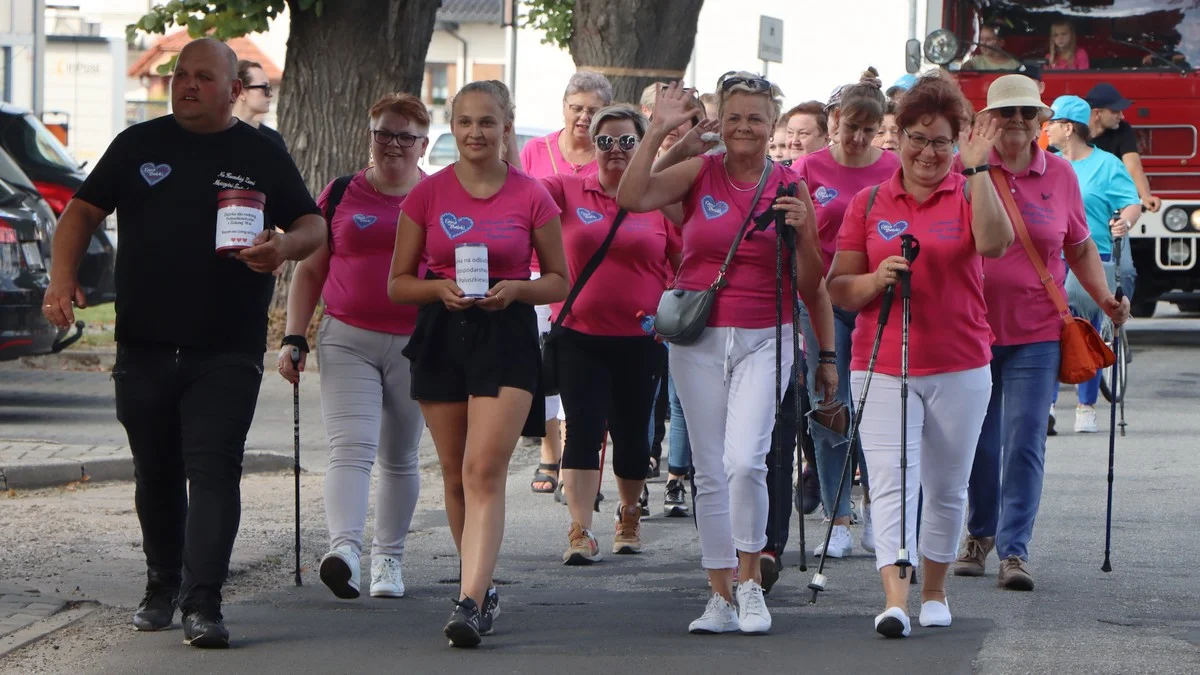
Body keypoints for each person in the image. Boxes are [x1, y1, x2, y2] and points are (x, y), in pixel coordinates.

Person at [41, 38, 324, 648]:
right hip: (143, 344)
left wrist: (284, 247)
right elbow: (81, 212)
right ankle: (161, 584)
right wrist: (61, 277)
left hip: (225, 346)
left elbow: (312, 223)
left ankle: (204, 604)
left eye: (202, 76)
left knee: (214, 469)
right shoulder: (139, 144)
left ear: (232, 90)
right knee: (156, 472)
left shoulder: (260, 152)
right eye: (179, 75)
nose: (186, 84)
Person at [617, 75, 837, 636]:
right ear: (722, 120)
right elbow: (632, 195)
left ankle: (749, 582)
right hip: (699, 335)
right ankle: (717, 594)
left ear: (773, 126)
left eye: (756, 118)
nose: (744, 127)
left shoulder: (791, 184)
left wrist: (804, 230)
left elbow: (813, 283)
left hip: (769, 332)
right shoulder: (700, 170)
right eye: (734, 116)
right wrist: (662, 131)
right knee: (710, 470)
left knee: (747, 460)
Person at [827, 73, 1013, 638]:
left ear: (957, 145)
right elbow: (839, 287)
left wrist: (977, 170)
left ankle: (934, 588)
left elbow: (994, 244)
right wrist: (876, 279)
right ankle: (894, 600)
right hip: (881, 361)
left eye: (941, 142)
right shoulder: (869, 200)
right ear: (896, 136)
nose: (927, 152)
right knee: (890, 478)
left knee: (947, 482)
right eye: (916, 137)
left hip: (960, 361)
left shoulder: (973, 188)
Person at [388, 79, 569, 648]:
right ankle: (480, 586)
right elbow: (398, 284)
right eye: (465, 121)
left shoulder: (533, 193)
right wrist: (437, 291)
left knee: (482, 471)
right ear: (452, 126)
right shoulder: (427, 194)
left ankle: (469, 599)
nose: (475, 132)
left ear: (506, 127)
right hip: (443, 331)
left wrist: (516, 290)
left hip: (506, 334)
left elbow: (560, 280)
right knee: (454, 475)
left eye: (487, 122)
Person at [956, 76, 1131, 591]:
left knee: (1026, 440)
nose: (1015, 123)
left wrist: (1103, 298)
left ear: (1041, 122)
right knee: (979, 444)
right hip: (971, 328)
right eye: (1004, 113)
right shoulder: (964, 169)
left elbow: (1078, 246)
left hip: (1037, 330)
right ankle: (978, 534)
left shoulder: (1059, 174)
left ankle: (1013, 550)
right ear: (987, 119)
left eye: (1026, 114)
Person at [277, 93, 430, 601]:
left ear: (423, 144)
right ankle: (344, 551)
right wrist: (294, 336)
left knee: (400, 455)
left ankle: (388, 558)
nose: (393, 145)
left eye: (405, 136)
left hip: (417, 342)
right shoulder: (341, 193)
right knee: (352, 447)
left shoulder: (438, 197)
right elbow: (312, 269)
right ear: (369, 137)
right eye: (384, 133)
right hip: (347, 338)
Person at [545, 104, 680, 564]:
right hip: (579, 334)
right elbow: (517, 195)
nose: (617, 150)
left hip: (641, 338)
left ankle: (627, 515)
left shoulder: (659, 198)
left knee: (633, 434)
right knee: (583, 428)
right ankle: (580, 529)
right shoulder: (566, 188)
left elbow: (683, 264)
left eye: (628, 141)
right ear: (591, 145)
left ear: (643, 145)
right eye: (606, 141)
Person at [794, 71, 902, 563]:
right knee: (830, 404)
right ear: (831, 121)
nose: (857, 138)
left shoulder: (893, 169)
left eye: (868, 129)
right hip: (820, 298)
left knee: (876, 409)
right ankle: (836, 517)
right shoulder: (807, 168)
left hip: (876, 298)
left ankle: (877, 509)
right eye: (849, 127)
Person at [518, 71, 613, 498]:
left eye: (593, 111)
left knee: (581, 365)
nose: (583, 117)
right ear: (564, 107)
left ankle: (579, 451)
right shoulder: (535, 150)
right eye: (577, 108)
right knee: (544, 361)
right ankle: (549, 448)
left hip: (590, 273)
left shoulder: (610, 154)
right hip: (540, 269)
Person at [1045, 96, 1142, 434]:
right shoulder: (1047, 163)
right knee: (1051, 328)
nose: (1046, 128)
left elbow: (1131, 204)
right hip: (1051, 257)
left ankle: (1086, 405)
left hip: (1093, 255)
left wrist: (1125, 223)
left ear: (1068, 127)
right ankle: (1049, 406)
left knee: (1083, 328)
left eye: (1052, 123)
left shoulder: (1107, 165)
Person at [233, 60, 285, 150]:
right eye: (264, 87)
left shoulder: (273, 138)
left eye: (269, 88)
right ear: (241, 91)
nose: (271, 94)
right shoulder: (212, 133)